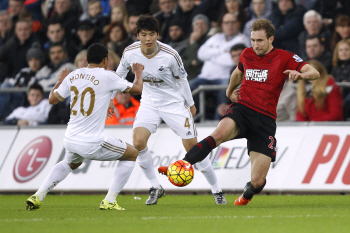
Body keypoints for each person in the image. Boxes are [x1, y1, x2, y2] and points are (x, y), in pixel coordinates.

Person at [160, 19, 319, 206]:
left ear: (271, 39)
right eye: (253, 40)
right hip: (242, 110)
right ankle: (181, 165)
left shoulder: (284, 57)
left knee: (258, 182)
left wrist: (301, 75)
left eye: (260, 40)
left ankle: (247, 194)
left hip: (265, 121)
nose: (255, 45)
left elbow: (314, 72)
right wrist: (229, 91)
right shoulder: (247, 54)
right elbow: (237, 73)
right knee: (218, 134)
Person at [116, 15, 226, 205]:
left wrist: (190, 104)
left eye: (152, 34)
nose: (148, 39)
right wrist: (110, 98)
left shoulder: (170, 55)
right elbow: (118, 75)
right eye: (144, 35)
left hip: (174, 103)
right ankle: (155, 187)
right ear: (138, 36)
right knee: (138, 141)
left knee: (193, 148)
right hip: (149, 102)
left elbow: (182, 80)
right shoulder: (130, 52)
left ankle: (217, 190)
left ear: (158, 35)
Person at [25, 43, 144, 211]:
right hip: (92, 141)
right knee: (132, 154)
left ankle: (38, 195)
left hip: (71, 139)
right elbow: (138, 88)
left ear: (87, 59)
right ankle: (109, 200)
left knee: (70, 163)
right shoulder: (108, 76)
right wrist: (138, 73)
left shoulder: (74, 75)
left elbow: (52, 99)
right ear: (105, 60)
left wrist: (59, 82)